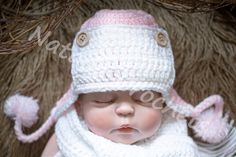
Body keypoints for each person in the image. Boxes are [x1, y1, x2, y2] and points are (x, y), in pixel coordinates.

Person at [4, 9, 236, 157]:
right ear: (79, 106)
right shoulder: (70, 135)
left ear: (164, 102)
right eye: (104, 100)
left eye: (142, 98)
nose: (126, 109)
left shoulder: (174, 140)